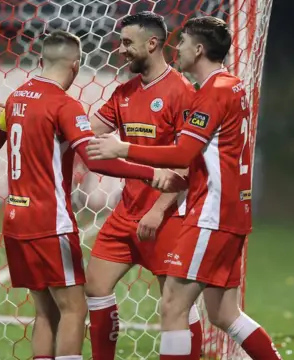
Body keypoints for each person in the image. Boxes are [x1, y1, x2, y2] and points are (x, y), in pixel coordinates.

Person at [0, 30, 183, 360]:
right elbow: (93, 159)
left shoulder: (18, 97)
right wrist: (151, 173)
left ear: (42, 60)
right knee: (74, 310)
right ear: (76, 65)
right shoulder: (64, 104)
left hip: (15, 219)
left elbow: (0, 130)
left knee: (46, 312)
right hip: (50, 223)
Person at [86, 16, 282, 360]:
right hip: (229, 211)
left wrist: (123, 149)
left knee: (173, 305)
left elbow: (183, 153)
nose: (179, 49)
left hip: (210, 212)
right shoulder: (232, 85)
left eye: (184, 44)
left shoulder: (209, 93)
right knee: (224, 314)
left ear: (199, 49)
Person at [83, 11, 202, 360]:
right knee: (96, 286)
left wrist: (157, 209)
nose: (120, 50)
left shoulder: (182, 92)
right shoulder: (124, 92)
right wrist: (44, 117)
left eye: (127, 43)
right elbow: (87, 129)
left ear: (152, 44)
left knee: (174, 304)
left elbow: (187, 161)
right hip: (127, 211)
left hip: (167, 214)